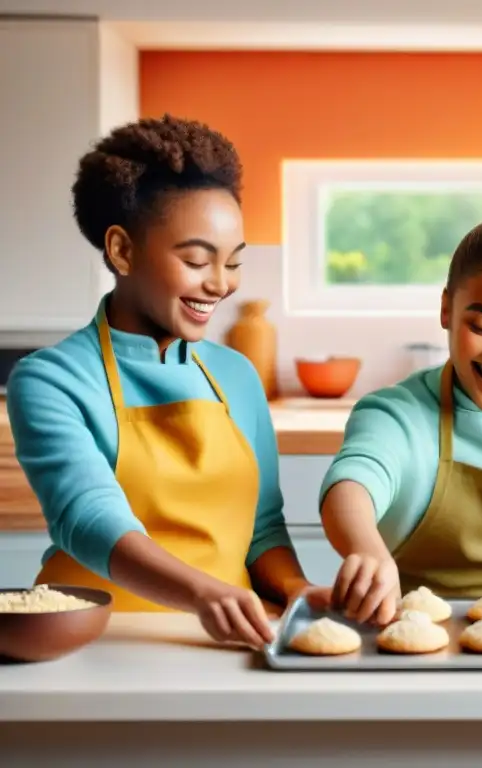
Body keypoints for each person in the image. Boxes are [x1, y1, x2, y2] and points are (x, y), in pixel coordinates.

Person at [5, 115, 311, 647]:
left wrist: (299, 589)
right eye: (196, 260)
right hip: (95, 644)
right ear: (122, 250)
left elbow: (262, 529)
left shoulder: (235, 374)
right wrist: (202, 594)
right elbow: (88, 518)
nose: (219, 285)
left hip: (227, 641)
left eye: (233, 262)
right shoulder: (52, 379)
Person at [319, 210, 482, 625]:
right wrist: (367, 550)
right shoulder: (398, 413)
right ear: (446, 309)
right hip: (403, 645)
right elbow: (353, 485)